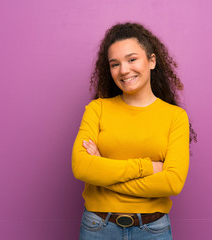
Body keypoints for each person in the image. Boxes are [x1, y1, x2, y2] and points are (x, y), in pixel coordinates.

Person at [72, 22, 197, 240]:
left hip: (153, 231)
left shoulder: (175, 116)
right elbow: (81, 167)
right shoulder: (97, 109)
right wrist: (147, 167)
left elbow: (172, 182)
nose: (124, 70)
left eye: (132, 59)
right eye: (114, 64)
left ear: (151, 60)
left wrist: (103, 175)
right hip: (97, 228)